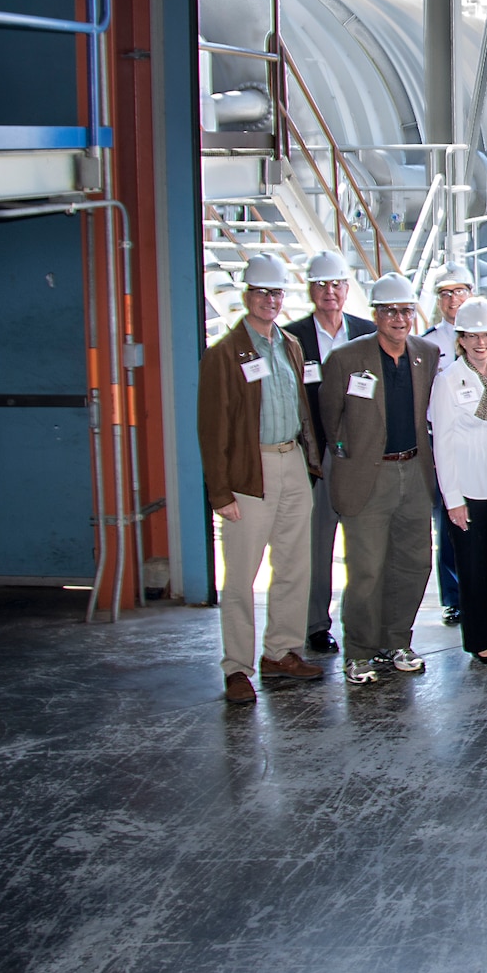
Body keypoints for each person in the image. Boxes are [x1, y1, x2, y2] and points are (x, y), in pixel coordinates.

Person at [198, 254, 324, 704]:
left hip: (290, 462)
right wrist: (220, 492)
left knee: (294, 566)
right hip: (249, 473)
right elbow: (211, 430)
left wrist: (309, 462)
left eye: (275, 293)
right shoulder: (223, 354)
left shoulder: (290, 345)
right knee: (241, 577)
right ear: (246, 296)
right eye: (261, 292)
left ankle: (280, 652)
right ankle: (237, 667)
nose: (269, 300)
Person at [320, 273, 439, 686]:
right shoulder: (346, 360)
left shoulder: (428, 353)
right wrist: (350, 458)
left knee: (413, 563)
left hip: (414, 473)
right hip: (369, 477)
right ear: (375, 315)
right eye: (390, 311)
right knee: (367, 569)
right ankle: (359, 651)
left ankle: (396, 641)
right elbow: (330, 418)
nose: (399, 318)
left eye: (406, 310)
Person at [284, 249, 373, 657]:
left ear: (347, 288)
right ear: (310, 290)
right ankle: (316, 625)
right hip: (318, 460)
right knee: (317, 547)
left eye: (336, 284)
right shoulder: (292, 339)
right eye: (321, 285)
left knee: (364, 547)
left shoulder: (366, 333)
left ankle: (363, 623)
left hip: (360, 457)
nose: (329, 292)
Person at [428, 296, 487, 665]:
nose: (480, 343)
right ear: (460, 339)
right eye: (472, 336)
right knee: (473, 568)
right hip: (466, 489)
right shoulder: (447, 381)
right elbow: (443, 444)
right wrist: (452, 499)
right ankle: (480, 640)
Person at [421, 260, 474, 626]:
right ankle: (453, 598)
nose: (453, 299)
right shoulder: (427, 344)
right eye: (445, 293)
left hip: (482, 442)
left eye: (459, 291)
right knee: (448, 521)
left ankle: (481, 592)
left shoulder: (486, 335)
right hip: (443, 441)